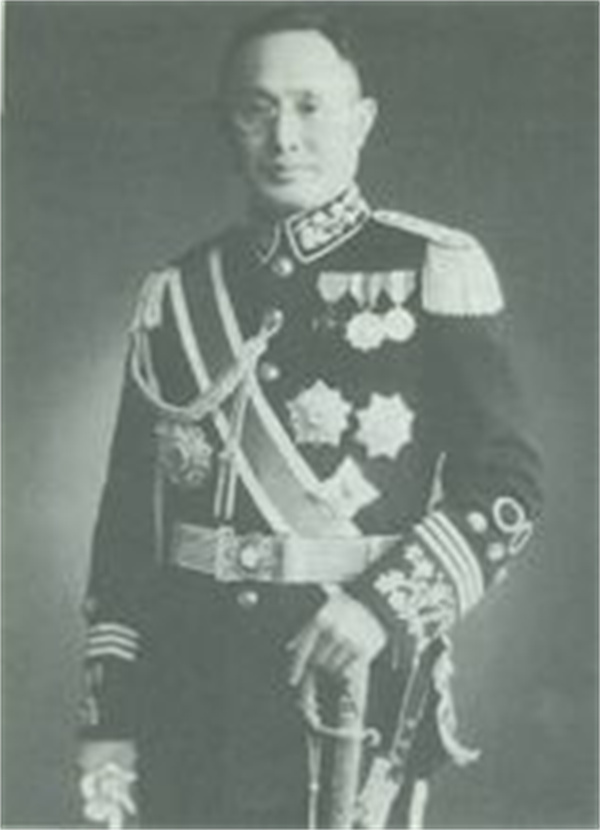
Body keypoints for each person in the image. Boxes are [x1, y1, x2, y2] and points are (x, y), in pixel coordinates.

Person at [77, 8, 543, 829]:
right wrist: (108, 717)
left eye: (310, 106)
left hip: (347, 691)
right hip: (189, 696)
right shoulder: (177, 294)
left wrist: (382, 607)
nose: (284, 136)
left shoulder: (430, 269)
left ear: (362, 121)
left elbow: (505, 488)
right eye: (256, 109)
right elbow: (128, 529)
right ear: (228, 126)